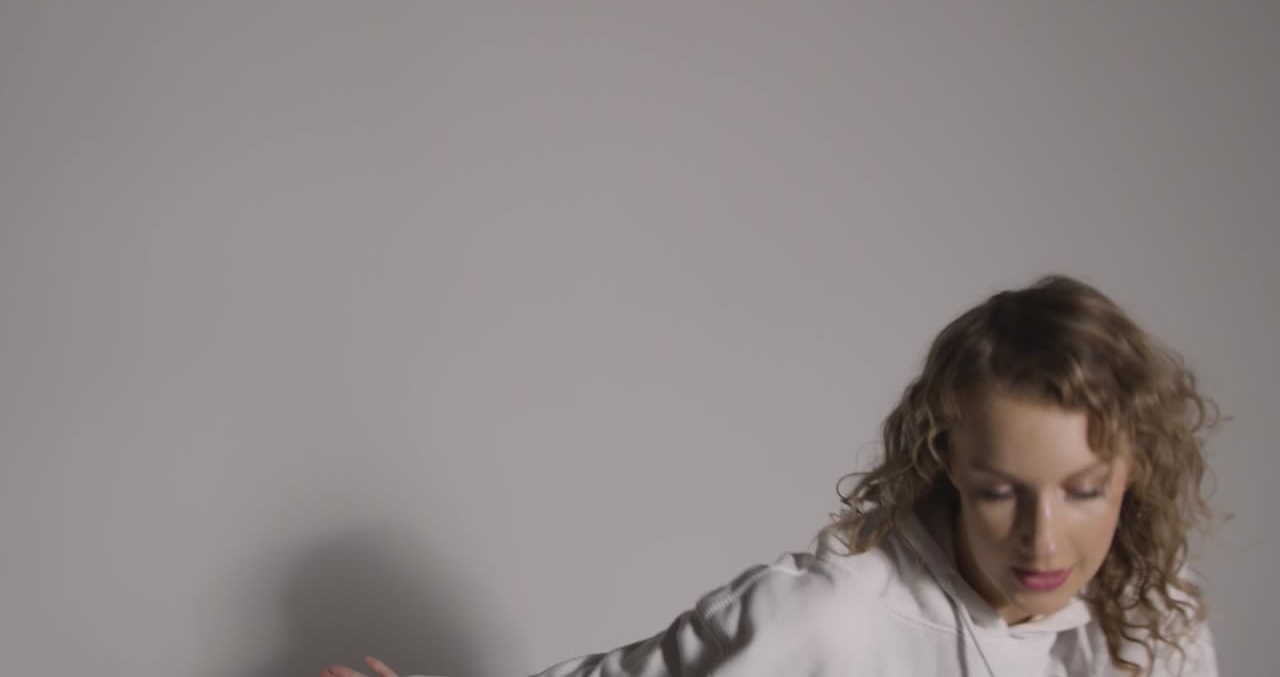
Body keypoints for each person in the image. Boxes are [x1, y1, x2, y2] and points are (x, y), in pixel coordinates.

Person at [322, 274, 1222, 677]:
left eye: (1083, 491)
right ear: (948, 463)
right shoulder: (830, 616)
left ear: (1134, 471)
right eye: (1000, 490)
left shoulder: (1159, 618)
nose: (1042, 540)